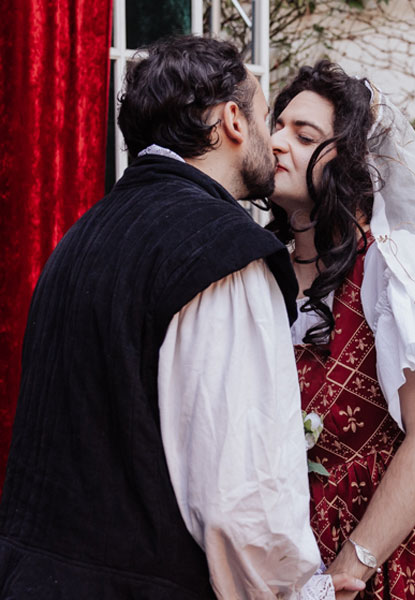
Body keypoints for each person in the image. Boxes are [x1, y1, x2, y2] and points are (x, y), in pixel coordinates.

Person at [0, 37, 362, 599]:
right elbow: (239, 502)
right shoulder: (225, 253)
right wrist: (301, 593)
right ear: (232, 120)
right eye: (268, 118)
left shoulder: (78, 239)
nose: (274, 141)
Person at [266, 61, 415, 600]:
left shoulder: (392, 269)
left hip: (384, 549)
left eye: (303, 134)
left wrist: (354, 564)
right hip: (288, 544)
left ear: (349, 161)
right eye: (277, 125)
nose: (275, 142)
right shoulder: (262, 274)